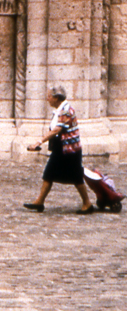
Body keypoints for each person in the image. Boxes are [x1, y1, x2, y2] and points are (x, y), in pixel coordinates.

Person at [24, 85, 93, 214]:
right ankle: (39, 201)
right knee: (49, 173)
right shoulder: (59, 110)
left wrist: (39, 142)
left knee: (76, 177)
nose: (47, 99)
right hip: (62, 148)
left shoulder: (65, 110)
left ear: (56, 98)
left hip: (69, 150)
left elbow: (57, 130)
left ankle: (87, 203)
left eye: (49, 96)